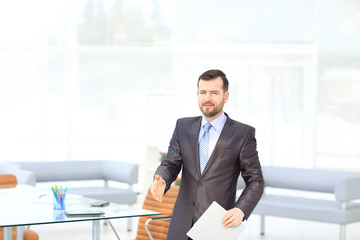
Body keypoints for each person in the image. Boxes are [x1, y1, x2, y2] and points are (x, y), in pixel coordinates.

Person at [151, 69, 264, 240]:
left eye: (214, 93)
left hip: (217, 224)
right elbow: (171, 163)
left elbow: (255, 180)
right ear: (197, 94)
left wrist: (241, 209)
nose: (207, 98)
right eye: (203, 92)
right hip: (181, 222)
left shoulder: (243, 134)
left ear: (225, 97)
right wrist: (162, 177)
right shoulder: (183, 126)